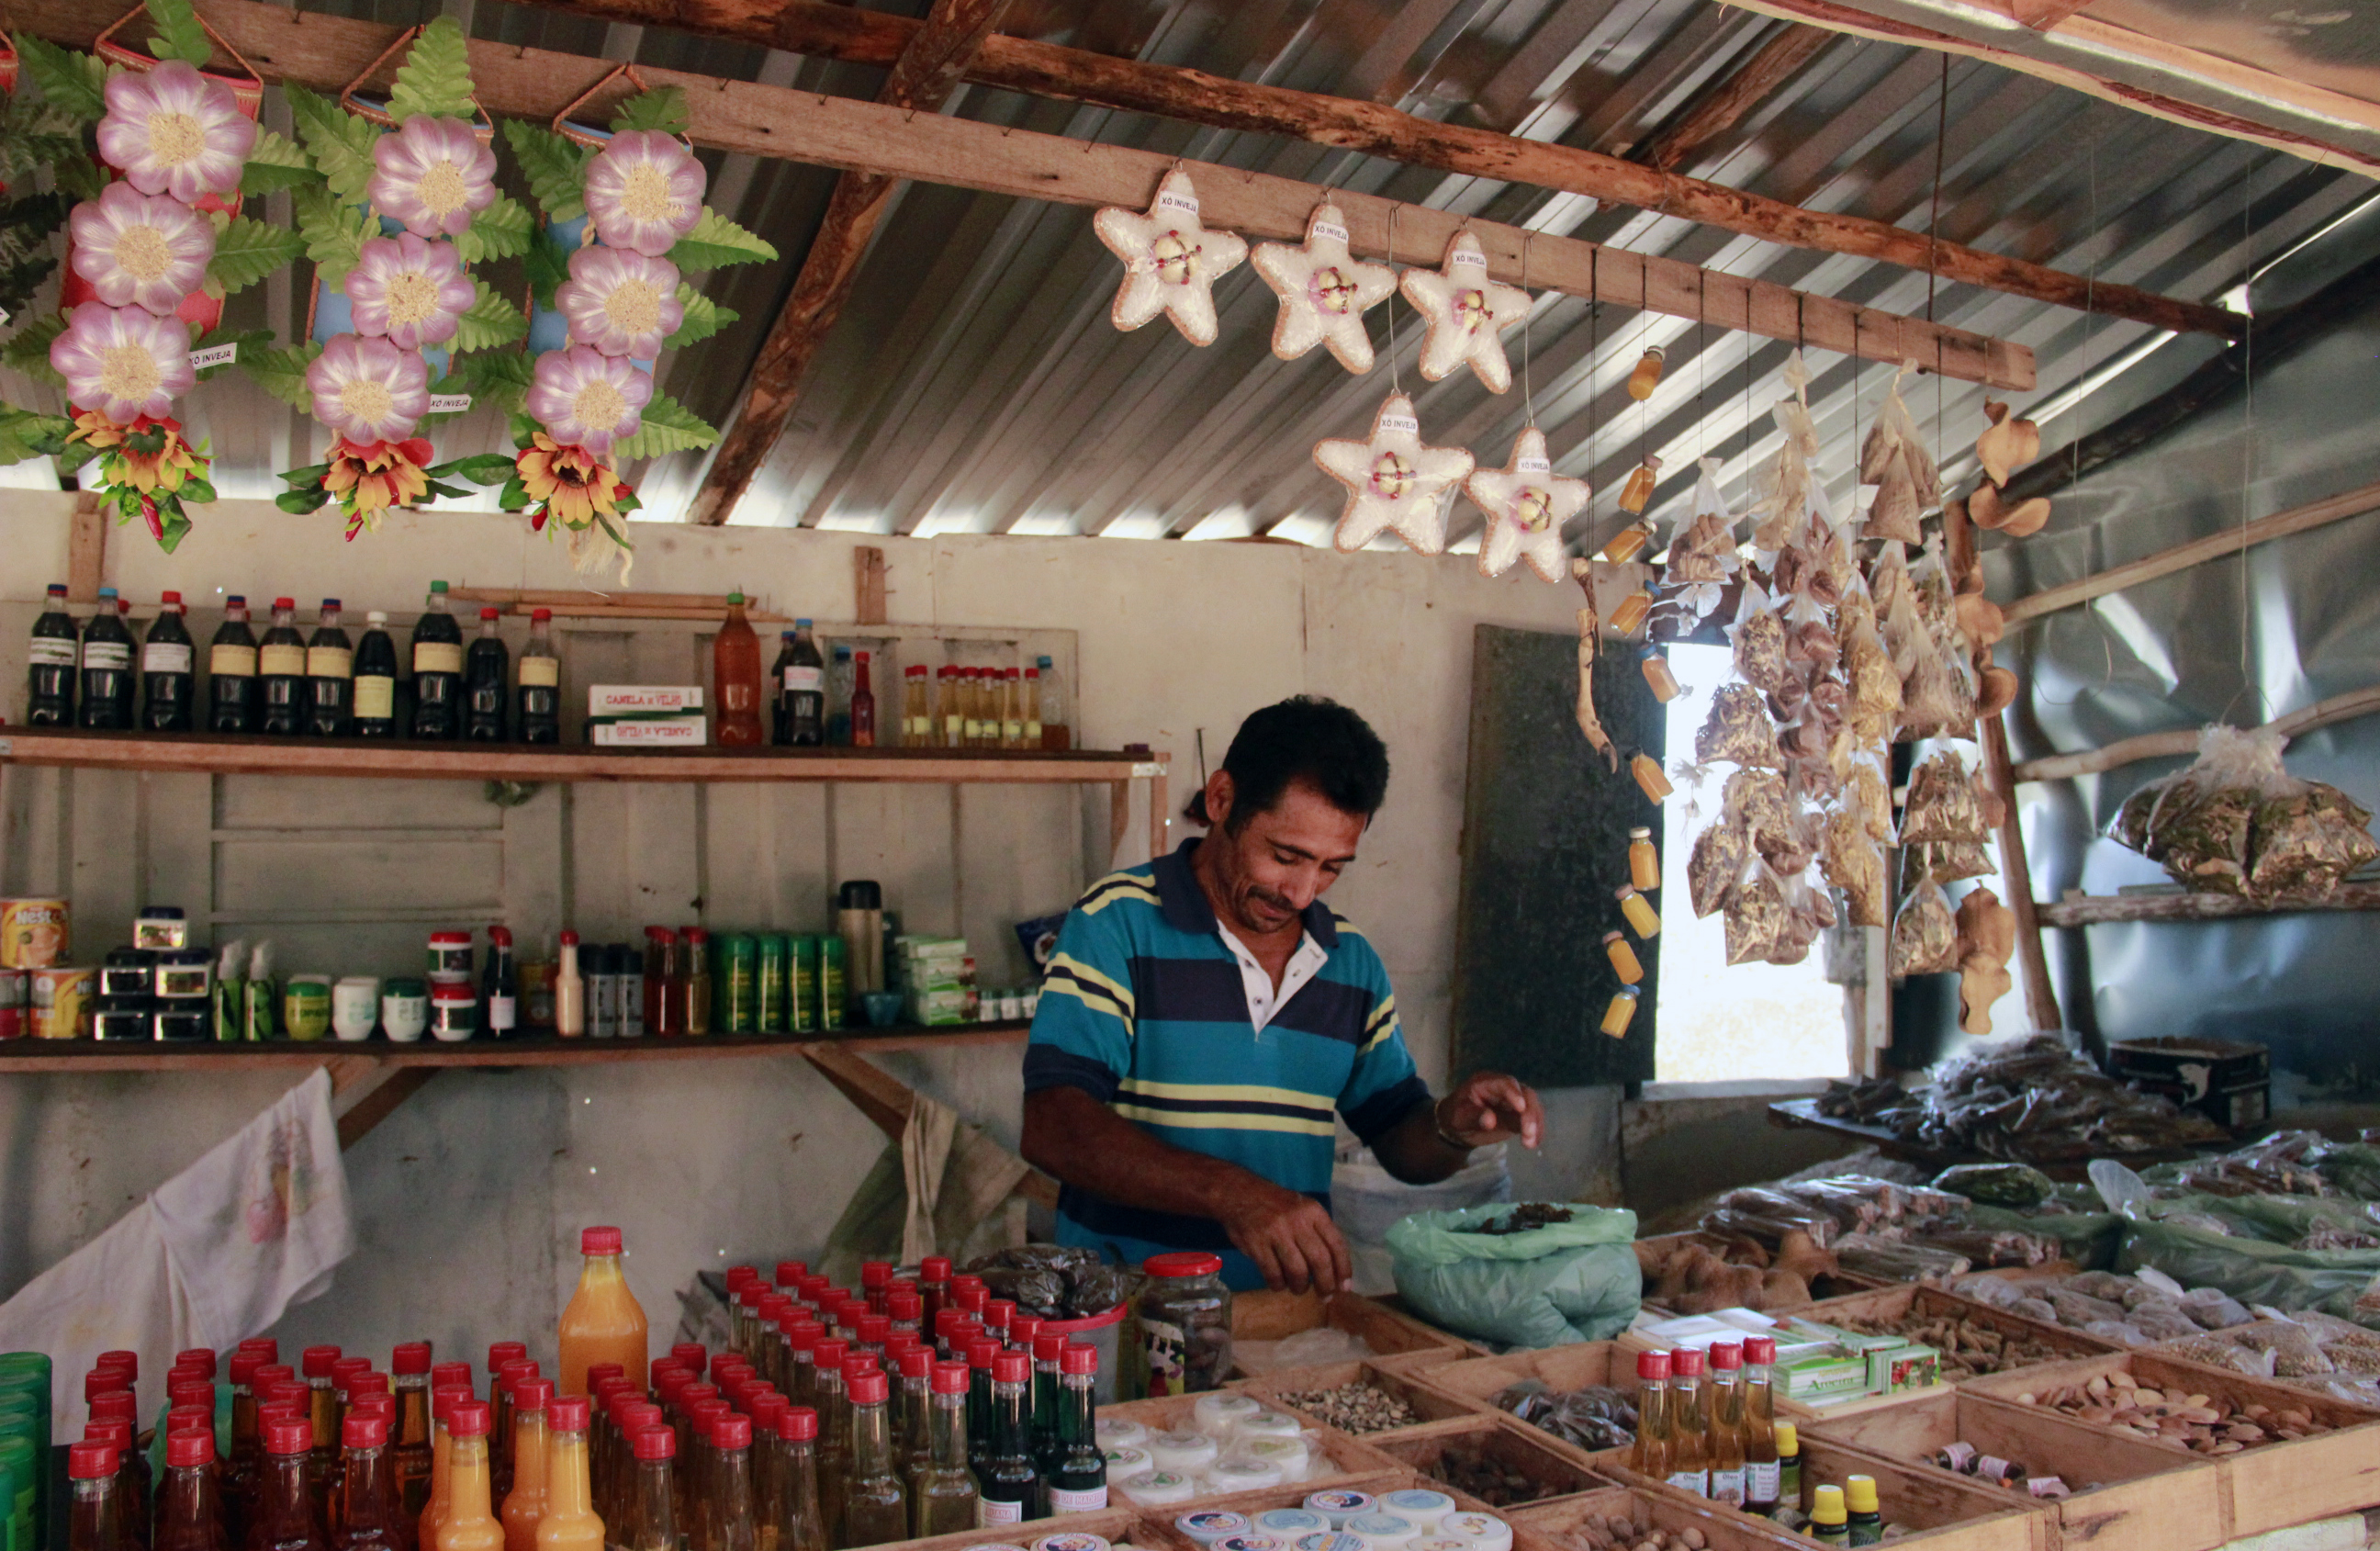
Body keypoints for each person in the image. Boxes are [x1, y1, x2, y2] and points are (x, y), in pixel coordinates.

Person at [1020, 696, 1545, 1294]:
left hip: (1286, 1320)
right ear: (1222, 800)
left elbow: (1400, 1139)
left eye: (1331, 867)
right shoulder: (1116, 924)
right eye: (1285, 856)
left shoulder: (1350, 962)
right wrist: (1232, 1194)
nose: (1301, 891)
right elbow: (1053, 1125)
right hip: (1130, 1314)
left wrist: (1454, 1126)